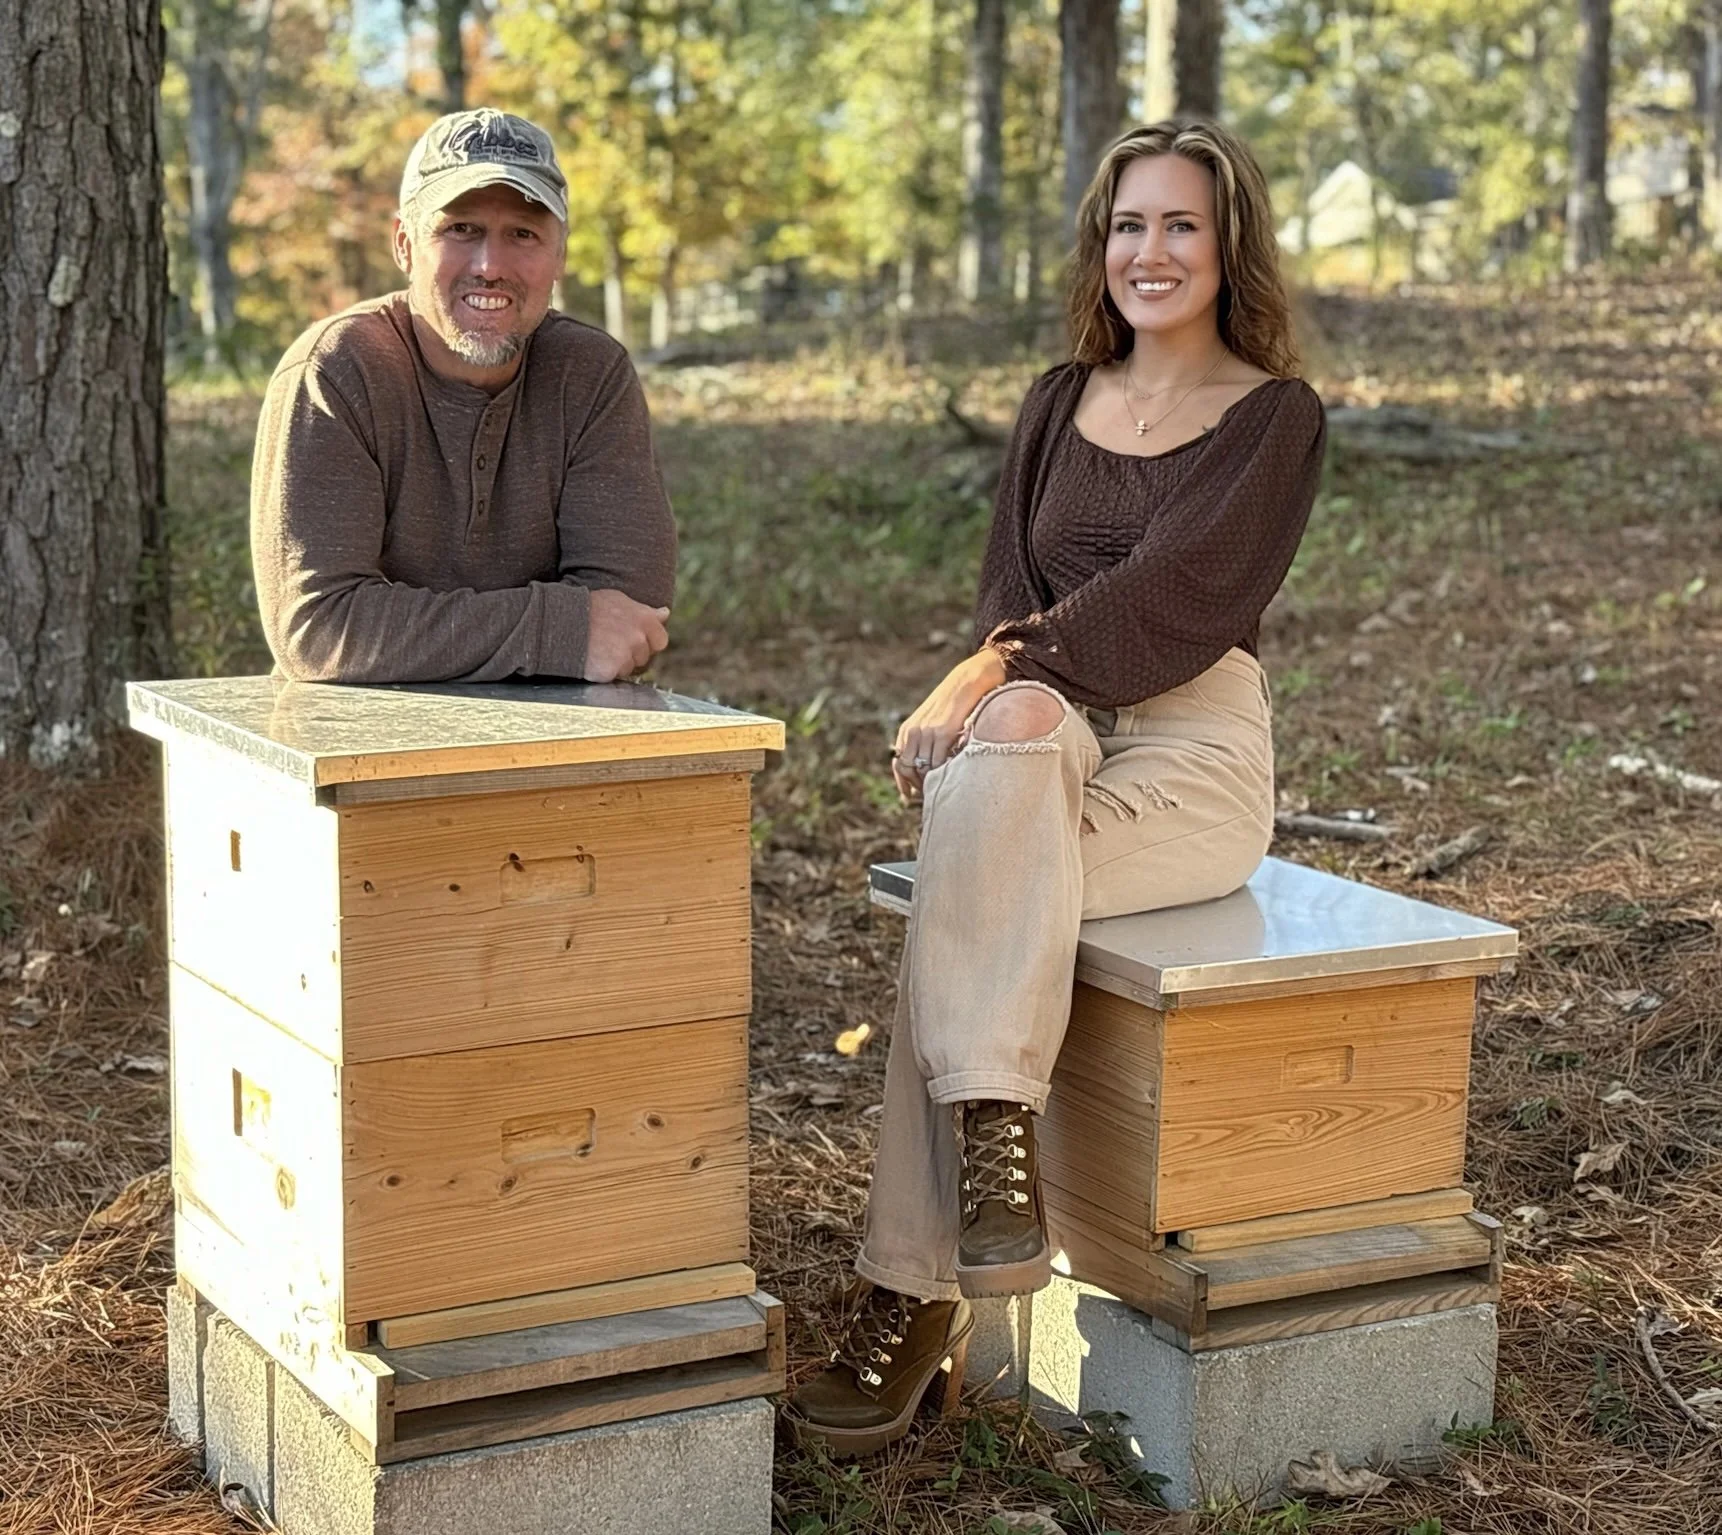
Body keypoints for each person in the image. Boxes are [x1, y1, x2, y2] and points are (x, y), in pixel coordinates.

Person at [787, 120, 1328, 1456]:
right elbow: (1005, 601)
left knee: (971, 878)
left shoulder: (1273, 418)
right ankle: (989, 1140)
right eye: (1126, 224)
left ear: (1229, 243)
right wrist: (999, 678)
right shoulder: (1053, 399)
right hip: (1049, 723)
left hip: (1192, 747)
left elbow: (1175, 594)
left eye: (1179, 225)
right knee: (1014, 737)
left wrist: (981, 677)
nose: (1147, 251)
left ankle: (910, 1298)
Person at [251, 108, 676, 685]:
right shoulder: (335, 371)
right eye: (461, 229)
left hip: (561, 739)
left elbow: (627, 620)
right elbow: (320, 627)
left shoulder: (591, 375)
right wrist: (561, 630)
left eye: (523, 234)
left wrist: (420, 634)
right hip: (356, 745)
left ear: (560, 256)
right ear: (404, 244)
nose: (490, 266)